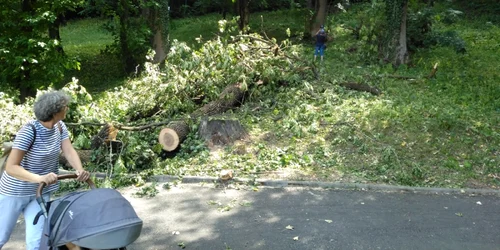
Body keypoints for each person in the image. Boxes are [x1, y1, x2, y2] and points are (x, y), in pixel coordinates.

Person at [0, 91, 90, 250]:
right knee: (1, 236)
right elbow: (11, 167)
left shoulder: (60, 127)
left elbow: (68, 150)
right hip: (14, 192)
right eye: (65, 107)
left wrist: (79, 170)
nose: (67, 108)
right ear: (55, 112)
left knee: (37, 242)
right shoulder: (29, 131)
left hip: (39, 193)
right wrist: (39, 178)